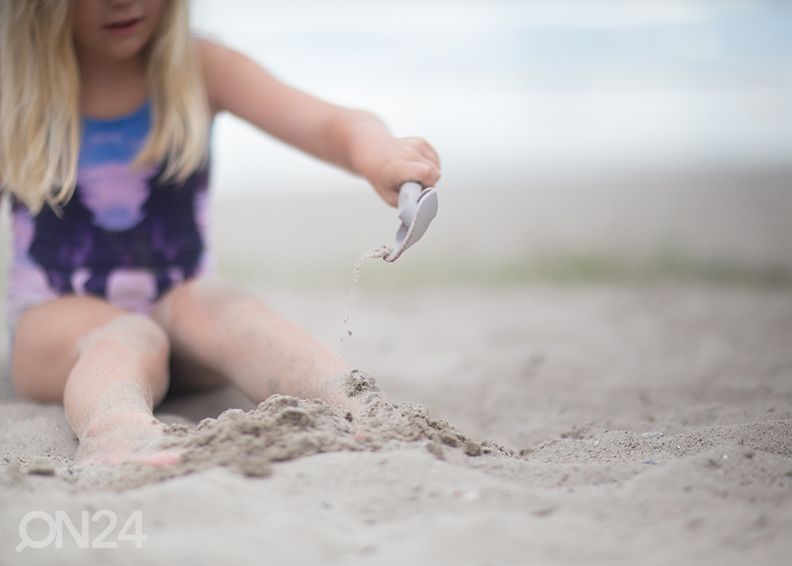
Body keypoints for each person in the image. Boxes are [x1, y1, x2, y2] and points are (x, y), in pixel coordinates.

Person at [0, 0, 441, 466]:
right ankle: (117, 430)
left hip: (178, 314)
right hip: (52, 324)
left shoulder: (198, 67)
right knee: (128, 334)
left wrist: (378, 153)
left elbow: (330, 124)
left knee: (218, 300)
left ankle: (356, 404)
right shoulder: (15, 87)